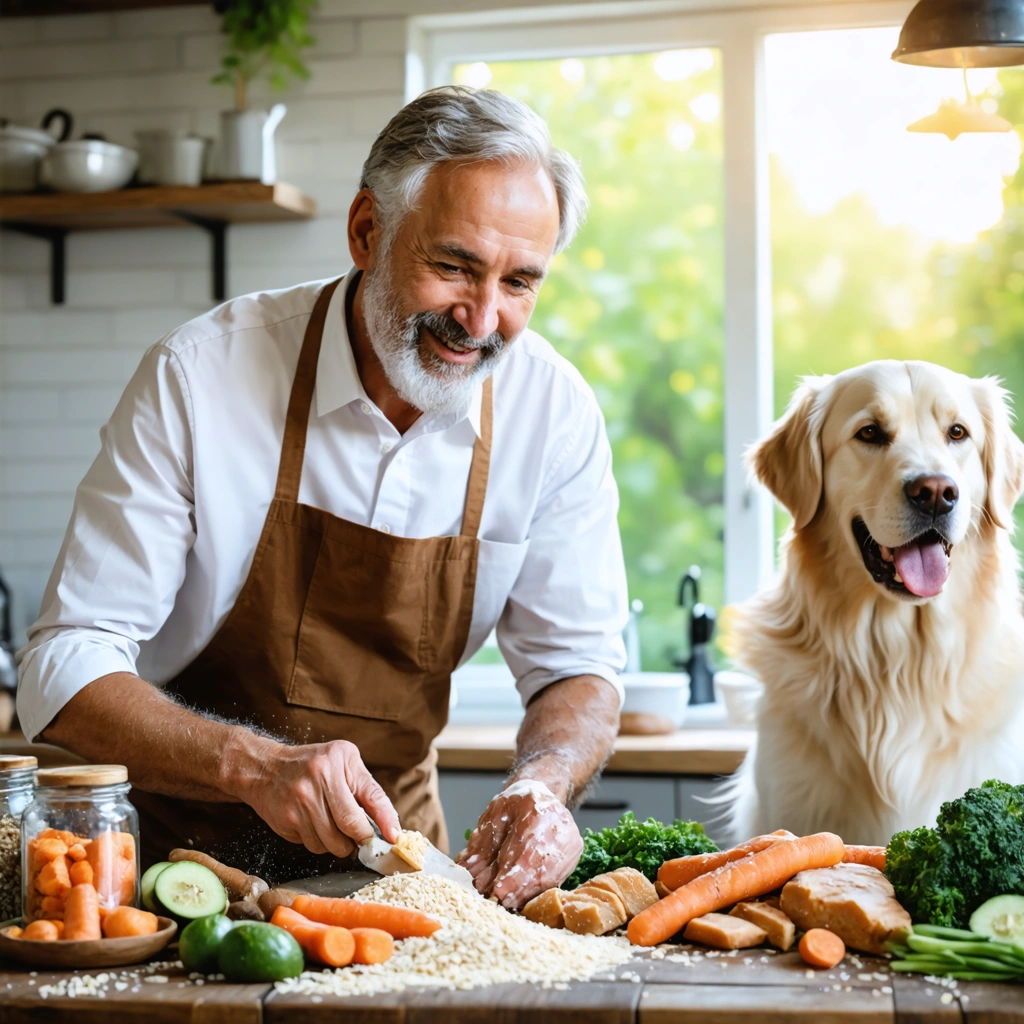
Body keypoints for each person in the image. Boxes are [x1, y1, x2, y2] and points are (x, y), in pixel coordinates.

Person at [16, 87, 627, 909]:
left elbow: (578, 667)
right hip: (176, 877)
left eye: (520, 282)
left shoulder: (552, 413)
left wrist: (545, 783)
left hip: (400, 889)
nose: (481, 320)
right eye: (453, 266)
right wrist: (253, 766)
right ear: (366, 231)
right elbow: (62, 667)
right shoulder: (201, 377)